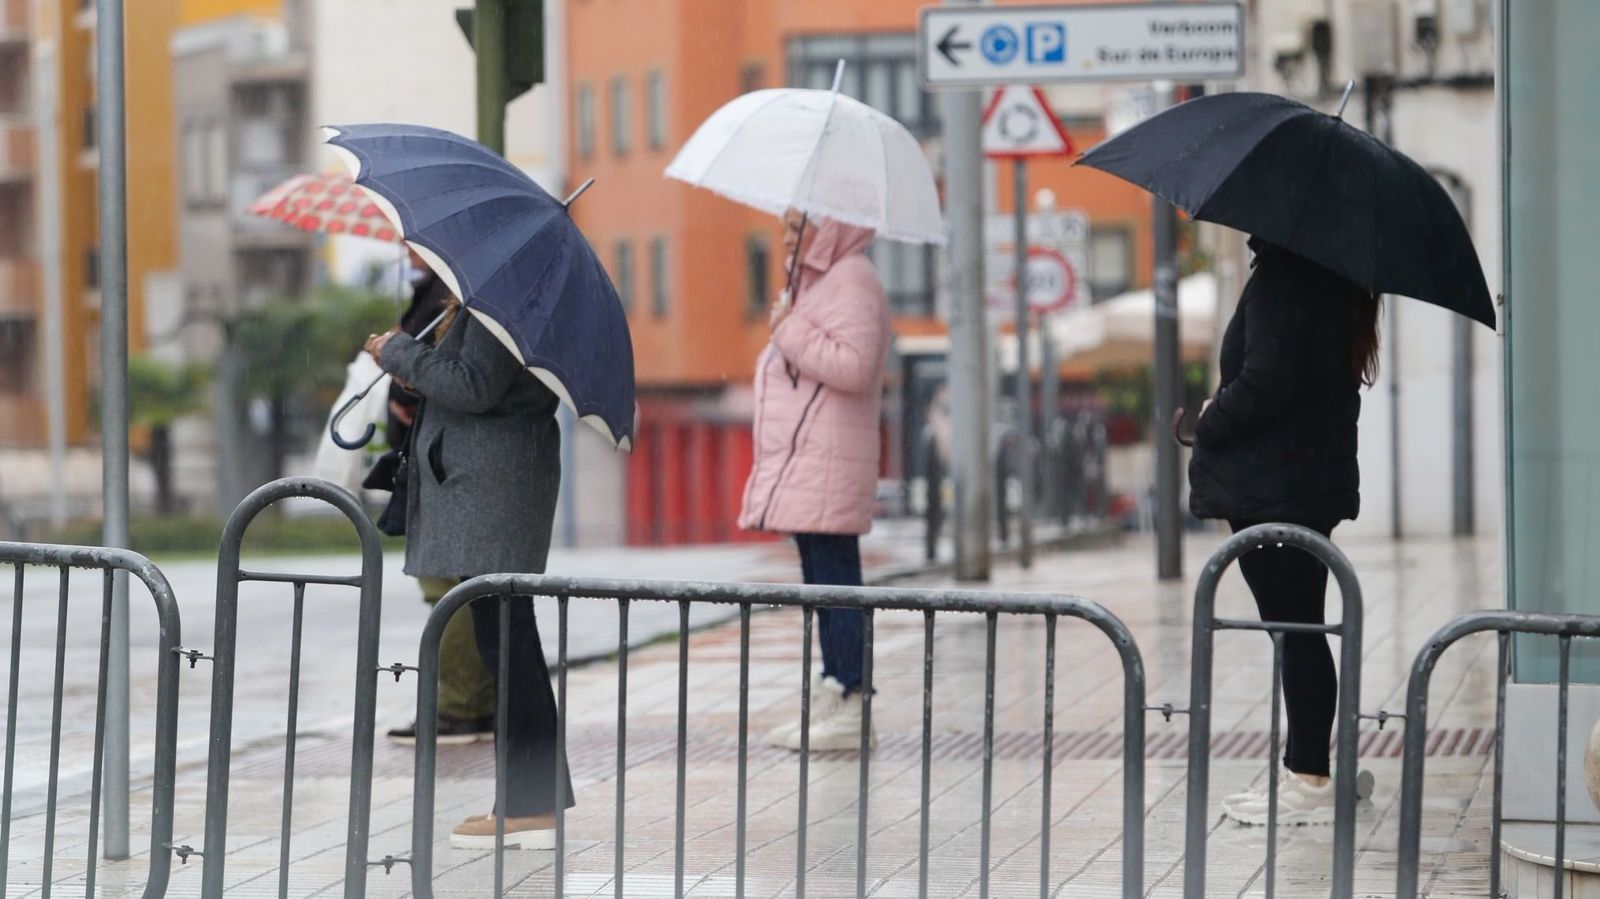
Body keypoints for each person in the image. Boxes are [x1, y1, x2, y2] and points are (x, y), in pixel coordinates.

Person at [365, 293, 571, 850]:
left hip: (492, 491)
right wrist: (415, 373)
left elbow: (475, 385)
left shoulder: (498, 305)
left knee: (508, 647)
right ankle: (532, 802)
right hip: (491, 487)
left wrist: (401, 354)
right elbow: (471, 382)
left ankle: (530, 807)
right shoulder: (485, 302)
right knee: (509, 646)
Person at [1188, 237, 1378, 827]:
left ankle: (1309, 779)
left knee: (1294, 631)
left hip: (1275, 484)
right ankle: (1307, 769)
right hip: (1302, 481)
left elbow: (1263, 387)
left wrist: (1202, 421)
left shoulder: (1284, 278)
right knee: (1300, 628)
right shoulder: (1331, 276)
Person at [741, 210, 890, 753]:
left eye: (797, 225)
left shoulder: (852, 278)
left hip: (829, 459)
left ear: (827, 228)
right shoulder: (818, 284)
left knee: (836, 581)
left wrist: (789, 327)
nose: (786, 237)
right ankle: (837, 689)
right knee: (822, 582)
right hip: (811, 460)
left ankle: (852, 696)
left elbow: (855, 364)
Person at [379, 251, 496, 747]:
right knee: (453, 587)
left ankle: (462, 704)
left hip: (452, 462)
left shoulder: (465, 290)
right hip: (437, 456)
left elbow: (464, 381)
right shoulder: (437, 290)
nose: (407, 246)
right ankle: (466, 701)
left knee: (451, 588)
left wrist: (398, 358)